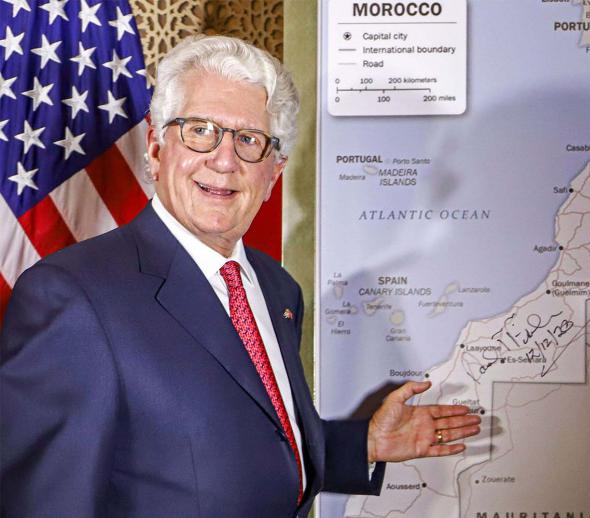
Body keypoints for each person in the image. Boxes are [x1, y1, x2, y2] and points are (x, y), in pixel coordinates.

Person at [0, 35, 480, 517]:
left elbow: (236, 444)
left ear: (274, 172)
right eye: (200, 130)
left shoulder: (275, 288)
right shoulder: (73, 296)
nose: (224, 160)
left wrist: (363, 445)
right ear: (156, 148)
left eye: (249, 140)